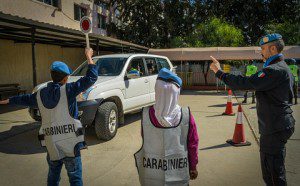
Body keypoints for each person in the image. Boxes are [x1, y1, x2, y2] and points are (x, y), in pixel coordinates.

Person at [0, 48, 98, 186]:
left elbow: (23, 99)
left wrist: (6, 101)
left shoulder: (40, 94)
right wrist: (89, 56)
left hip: (52, 144)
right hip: (70, 144)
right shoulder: (69, 90)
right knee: (75, 178)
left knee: (53, 176)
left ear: (52, 76)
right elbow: (91, 77)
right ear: (65, 78)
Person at [209, 33, 295, 186]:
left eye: (263, 48)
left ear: (273, 49)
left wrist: (219, 72)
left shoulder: (274, 70)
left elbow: (246, 83)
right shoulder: (283, 68)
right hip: (278, 124)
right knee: (274, 170)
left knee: (273, 174)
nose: (261, 52)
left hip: (274, 127)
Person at [134, 68, 199, 186]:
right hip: (179, 177)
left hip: (151, 178)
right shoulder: (186, 116)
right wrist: (193, 166)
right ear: (177, 92)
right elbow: (193, 143)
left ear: (156, 90)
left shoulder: (146, 115)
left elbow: (144, 138)